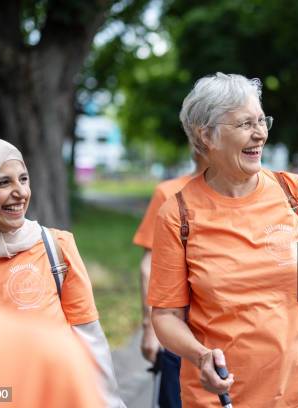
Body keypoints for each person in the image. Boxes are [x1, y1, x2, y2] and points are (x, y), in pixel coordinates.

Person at [148, 73, 298, 407]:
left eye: (262, 120)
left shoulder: (292, 191)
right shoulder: (177, 213)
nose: (260, 133)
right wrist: (201, 355)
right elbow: (165, 317)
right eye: (246, 123)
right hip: (221, 398)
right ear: (208, 136)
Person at [0, 102, 104, 408]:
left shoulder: (55, 246)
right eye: (2, 182)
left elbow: (90, 338)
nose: (21, 192)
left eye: (23, 179)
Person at [133, 154, 207, 407]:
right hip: (181, 333)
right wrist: (150, 327)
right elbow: (148, 266)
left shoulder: (280, 192)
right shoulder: (169, 192)